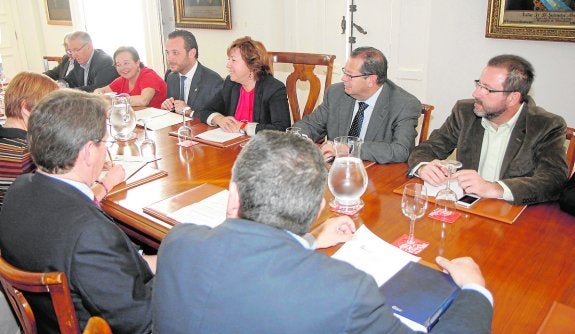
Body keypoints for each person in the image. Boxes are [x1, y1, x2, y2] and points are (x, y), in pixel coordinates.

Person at [153, 130, 493, 333]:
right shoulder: (347, 291)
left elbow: (250, 268)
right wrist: (476, 291)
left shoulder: (179, 243)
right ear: (318, 210)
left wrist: (311, 241)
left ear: (234, 197)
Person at [0, 89, 154, 333]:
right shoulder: (89, 234)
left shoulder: (20, 190)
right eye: (105, 141)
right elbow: (143, 322)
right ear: (89, 152)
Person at [408, 54, 567, 206]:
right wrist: (423, 167)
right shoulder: (465, 112)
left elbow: (554, 179)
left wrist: (495, 188)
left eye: (487, 89)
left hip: (513, 216)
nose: (476, 93)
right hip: (466, 209)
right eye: (478, 84)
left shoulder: (546, 125)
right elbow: (428, 148)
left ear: (513, 97)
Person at [0, 72, 123, 208]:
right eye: (50, 109)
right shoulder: (28, 154)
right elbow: (65, 208)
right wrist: (107, 183)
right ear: (26, 109)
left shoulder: (9, 145)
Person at [293, 47, 421, 164]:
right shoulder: (336, 93)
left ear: (371, 80)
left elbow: (400, 150)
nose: (343, 78)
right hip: (336, 170)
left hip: (377, 175)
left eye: (350, 75)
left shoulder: (404, 104)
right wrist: (302, 138)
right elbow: (309, 125)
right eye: (344, 72)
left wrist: (349, 148)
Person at [195, 36, 290, 135]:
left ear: (252, 65)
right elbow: (205, 110)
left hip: (260, 147)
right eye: (229, 59)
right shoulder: (231, 84)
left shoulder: (274, 88)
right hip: (232, 145)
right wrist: (220, 119)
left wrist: (243, 126)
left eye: (233, 60)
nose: (228, 65)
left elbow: (282, 129)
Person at [161, 30, 223, 115]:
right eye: (168, 53)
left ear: (192, 53)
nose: (169, 58)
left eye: (175, 53)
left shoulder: (213, 81)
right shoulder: (171, 77)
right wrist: (167, 107)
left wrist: (189, 111)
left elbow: (215, 118)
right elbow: (174, 113)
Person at [94, 46, 167, 108]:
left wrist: (114, 101)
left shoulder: (148, 75)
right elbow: (101, 90)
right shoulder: (123, 79)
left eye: (126, 63)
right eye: (118, 65)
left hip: (161, 121)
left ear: (137, 62)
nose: (122, 68)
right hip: (139, 119)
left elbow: (143, 100)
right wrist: (99, 95)